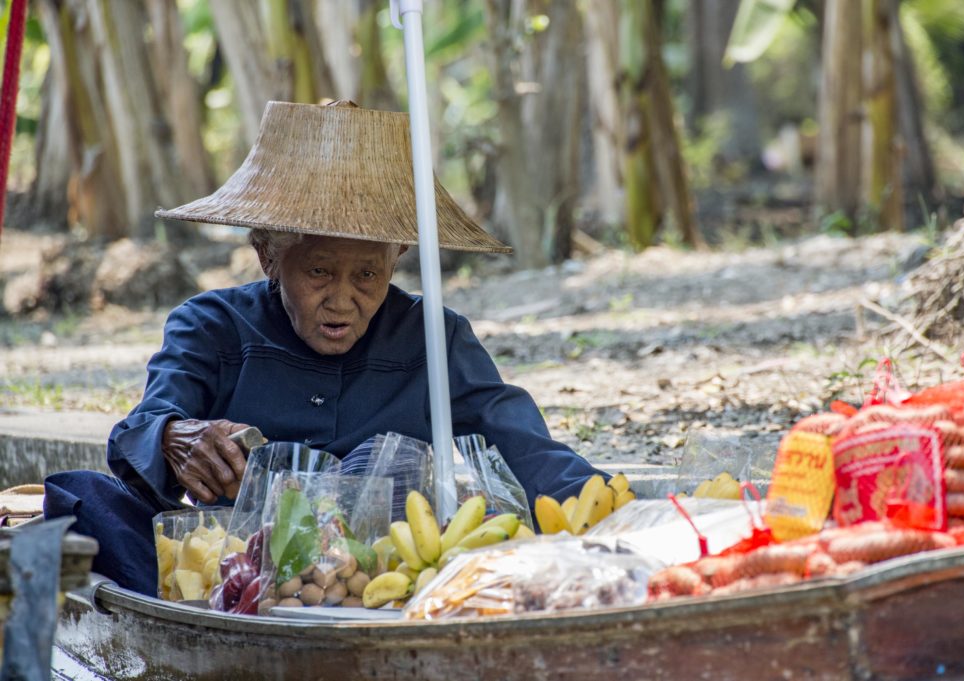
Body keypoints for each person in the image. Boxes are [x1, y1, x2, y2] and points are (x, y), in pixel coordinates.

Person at [44, 101, 605, 596]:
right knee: (80, 498)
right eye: (318, 271)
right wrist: (173, 437)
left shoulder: (435, 335)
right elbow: (142, 428)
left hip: (383, 571)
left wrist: (610, 511)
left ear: (399, 257)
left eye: (367, 274)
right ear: (266, 255)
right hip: (236, 570)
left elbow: (522, 445)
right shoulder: (210, 324)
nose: (342, 300)